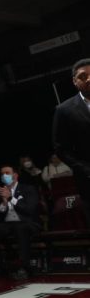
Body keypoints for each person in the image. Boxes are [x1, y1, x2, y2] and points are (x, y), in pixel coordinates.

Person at [0, 165, 41, 279]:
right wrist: (3, 203)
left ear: (15, 175)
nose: (4, 176)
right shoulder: (1, 192)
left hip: (27, 222)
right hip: (8, 224)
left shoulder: (28, 189)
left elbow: (29, 210)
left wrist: (11, 198)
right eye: (2, 174)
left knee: (20, 228)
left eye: (7, 173)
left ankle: (24, 267)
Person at [52, 58, 90, 226]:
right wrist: (84, 168)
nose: (89, 79)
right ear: (75, 81)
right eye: (83, 76)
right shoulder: (64, 110)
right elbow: (61, 147)